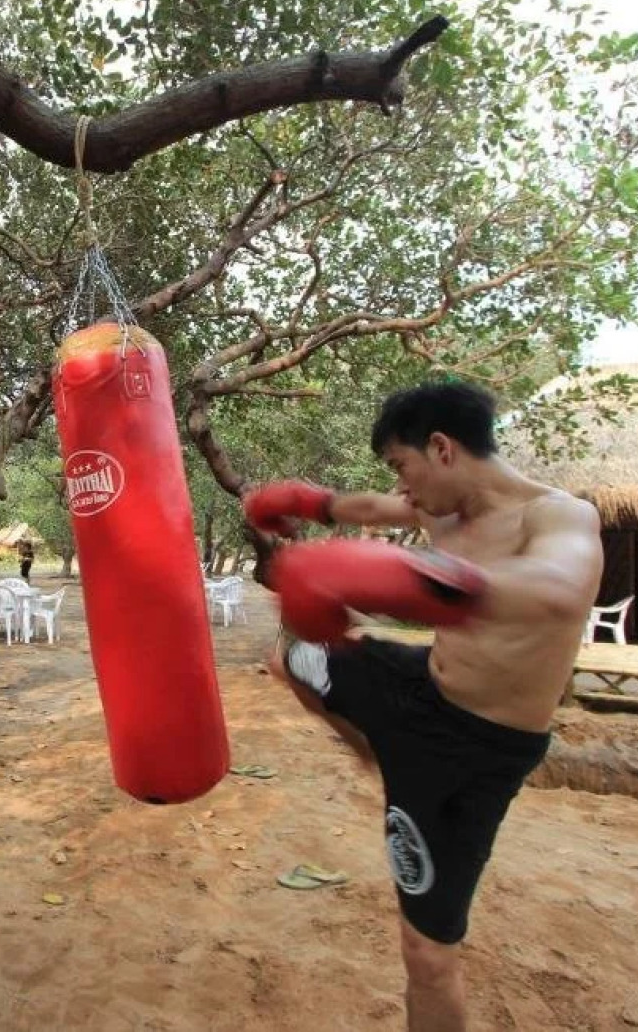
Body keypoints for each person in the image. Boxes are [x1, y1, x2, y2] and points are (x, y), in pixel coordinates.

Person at [244, 381, 603, 1032]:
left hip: (474, 752)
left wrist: (425, 585)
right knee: (288, 658)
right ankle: (373, 750)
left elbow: (559, 588)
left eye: (400, 468)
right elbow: (363, 506)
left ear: (440, 448)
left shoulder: (556, 516)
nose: (400, 491)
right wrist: (298, 502)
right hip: (417, 686)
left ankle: (396, 764)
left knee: (426, 954)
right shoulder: (436, 510)